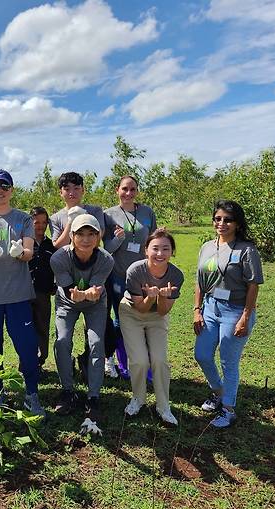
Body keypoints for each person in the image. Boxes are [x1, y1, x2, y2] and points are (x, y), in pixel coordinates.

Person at [0, 169, 45, 417]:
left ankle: (32, 393)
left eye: (5, 186)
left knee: (26, 345)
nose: (0, 190)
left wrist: (19, 253)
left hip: (18, 295)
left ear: (12, 190)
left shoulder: (23, 219)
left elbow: (29, 251)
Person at [193, 200, 263, 428]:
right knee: (202, 354)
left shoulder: (247, 250)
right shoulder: (207, 246)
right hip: (210, 308)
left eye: (228, 220)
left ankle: (228, 409)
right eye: (218, 219)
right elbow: (199, 281)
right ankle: (218, 392)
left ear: (237, 223)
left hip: (236, 310)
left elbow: (253, 285)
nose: (222, 223)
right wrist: (197, 310)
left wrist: (245, 316)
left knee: (228, 362)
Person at [49, 214, 114, 434]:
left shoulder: (106, 259)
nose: (86, 239)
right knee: (62, 341)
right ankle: (68, 390)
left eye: (91, 234)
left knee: (96, 343)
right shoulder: (59, 258)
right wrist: (79, 294)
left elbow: (96, 291)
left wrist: (91, 293)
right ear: (72, 236)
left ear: (98, 237)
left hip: (95, 304)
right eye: (80, 234)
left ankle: (93, 396)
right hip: (67, 303)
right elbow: (70, 292)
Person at [120, 229, 184, 425]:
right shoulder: (135, 270)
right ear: (145, 250)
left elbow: (163, 312)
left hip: (157, 316)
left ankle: (163, 406)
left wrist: (162, 297)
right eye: (155, 248)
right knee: (139, 360)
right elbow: (140, 308)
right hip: (132, 313)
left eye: (166, 249)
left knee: (159, 360)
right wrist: (151, 296)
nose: (160, 253)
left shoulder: (176, 275)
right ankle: (138, 399)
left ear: (172, 251)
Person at [103, 175, 157, 379]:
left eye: (132, 189)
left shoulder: (147, 212)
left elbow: (152, 242)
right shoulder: (108, 215)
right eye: (124, 189)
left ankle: (144, 364)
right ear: (117, 190)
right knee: (121, 320)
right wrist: (117, 240)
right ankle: (123, 363)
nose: (128, 193)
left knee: (144, 318)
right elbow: (106, 249)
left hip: (143, 276)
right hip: (118, 275)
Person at [28, 206, 56, 367]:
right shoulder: (24, 242)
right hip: (24, 292)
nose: (40, 226)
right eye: (36, 222)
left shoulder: (51, 245)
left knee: (42, 326)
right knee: (26, 328)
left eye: (44, 222)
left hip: (43, 292)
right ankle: (26, 362)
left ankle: (40, 360)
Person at [50, 171, 105, 249]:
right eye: (67, 189)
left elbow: (99, 236)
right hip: (67, 259)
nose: (72, 193)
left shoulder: (96, 211)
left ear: (83, 190)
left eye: (76, 188)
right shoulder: (55, 218)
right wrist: (70, 222)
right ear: (61, 193)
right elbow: (58, 245)